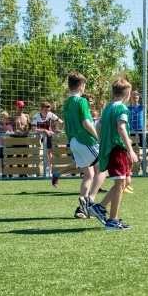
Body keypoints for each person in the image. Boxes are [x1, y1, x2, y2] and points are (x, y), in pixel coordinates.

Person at [54, 73, 108, 224]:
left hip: (73, 142)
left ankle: (81, 209)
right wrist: (98, 138)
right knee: (103, 169)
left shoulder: (66, 103)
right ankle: (90, 201)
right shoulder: (81, 101)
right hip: (85, 140)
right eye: (84, 85)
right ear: (81, 86)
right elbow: (86, 123)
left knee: (89, 174)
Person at [96, 78, 139, 230]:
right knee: (120, 183)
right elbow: (121, 128)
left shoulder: (107, 107)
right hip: (117, 149)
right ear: (128, 95)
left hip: (109, 148)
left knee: (124, 182)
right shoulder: (122, 109)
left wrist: (103, 142)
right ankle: (112, 220)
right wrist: (130, 149)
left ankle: (100, 207)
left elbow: (99, 126)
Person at [31, 102, 62, 177]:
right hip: (38, 135)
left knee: (48, 152)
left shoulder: (50, 115)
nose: (47, 112)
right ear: (41, 109)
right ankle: (35, 170)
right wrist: (44, 130)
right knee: (36, 151)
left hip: (48, 135)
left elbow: (61, 122)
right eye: (45, 110)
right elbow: (34, 129)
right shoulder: (36, 117)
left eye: (48, 110)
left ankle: (49, 170)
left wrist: (59, 130)